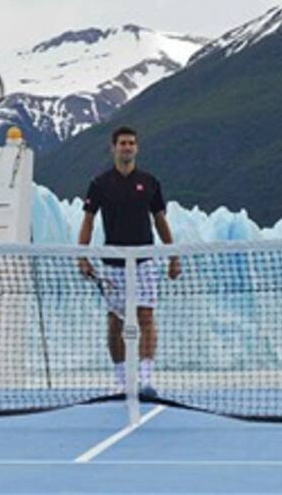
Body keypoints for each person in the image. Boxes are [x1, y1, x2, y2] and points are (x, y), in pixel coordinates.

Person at [77, 126, 181, 398]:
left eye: (131, 143)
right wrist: (82, 256)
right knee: (115, 322)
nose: (127, 147)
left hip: (145, 262)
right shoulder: (99, 184)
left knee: (146, 317)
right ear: (113, 147)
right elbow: (87, 220)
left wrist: (173, 255)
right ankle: (122, 380)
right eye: (122, 143)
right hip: (113, 264)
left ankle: (146, 379)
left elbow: (159, 220)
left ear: (137, 148)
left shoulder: (149, 183)